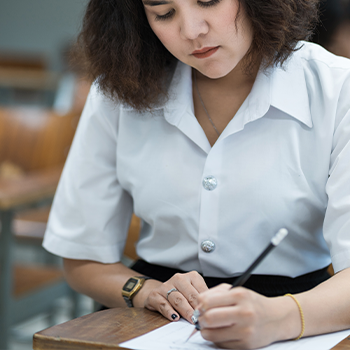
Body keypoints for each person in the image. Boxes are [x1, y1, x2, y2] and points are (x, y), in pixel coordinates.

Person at [43, 0, 350, 348]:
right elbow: (82, 257)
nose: (191, 32)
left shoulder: (337, 89)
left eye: (208, 1)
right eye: (164, 14)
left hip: (302, 312)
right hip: (153, 317)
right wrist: (144, 291)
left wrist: (279, 317)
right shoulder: (121, 89)